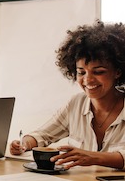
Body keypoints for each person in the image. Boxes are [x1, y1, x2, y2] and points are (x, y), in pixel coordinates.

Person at [10, 21, 125, 169]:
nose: (88, 80)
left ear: (118, 72)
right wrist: (24, 144)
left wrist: (94, 157)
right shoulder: (76, 104)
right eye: (81, 72)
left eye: (98, 72)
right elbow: (42, 135)